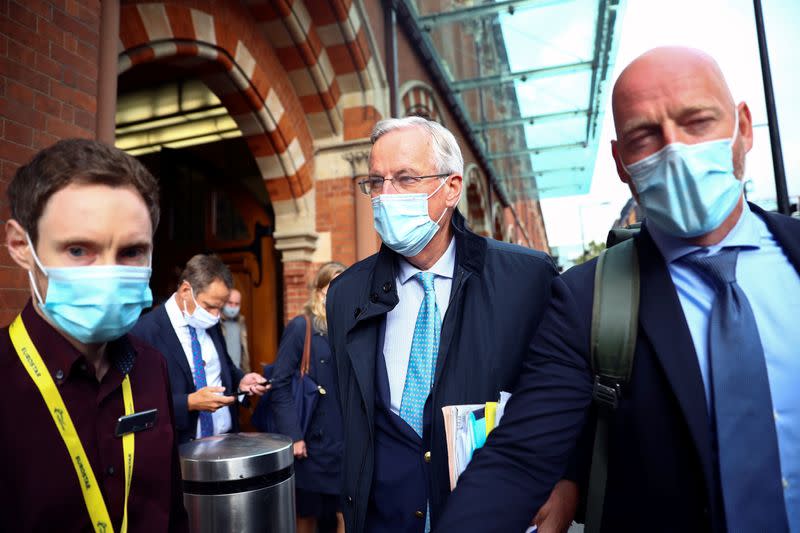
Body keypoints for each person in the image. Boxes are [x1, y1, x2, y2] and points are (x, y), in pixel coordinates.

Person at [435, 47, 800, 533]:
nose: (675, 150)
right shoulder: (585, 301)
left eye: (697, 122)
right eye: (645, 136)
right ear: (620, 161)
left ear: (744, 127)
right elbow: (519, 459)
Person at [326, 116, 577, 533]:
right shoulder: (346, 293)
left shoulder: (527, 279)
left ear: (452, 189)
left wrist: (569, 481)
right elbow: (347, 411)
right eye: (376, 181)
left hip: (491, 516)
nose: (386, 196)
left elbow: (565, 397)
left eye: (405, 179)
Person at [0, 139, 188, 531]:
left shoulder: (152, 367)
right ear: (21, 246)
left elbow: (172, 514)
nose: (107, 274)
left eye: (132, 252)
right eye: (78, 250)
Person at [132, 254, 269, 444]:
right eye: (210, 306)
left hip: (227, 440)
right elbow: (138, 402)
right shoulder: (144, 332)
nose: (215, 315)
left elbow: (225, 367)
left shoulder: (209, 322)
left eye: (220, 308)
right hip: (180, 449)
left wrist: (241, 381)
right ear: (186, 290)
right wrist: (189, 403)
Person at [270, 261, 347, 533]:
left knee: (346, 514)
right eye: (331, 288)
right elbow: (279, 384)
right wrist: (294, 436)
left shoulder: (351, 328)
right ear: (318, 292)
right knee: (306, 517)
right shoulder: (301, 328)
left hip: (345, 442)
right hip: (311, 444)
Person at [221, 288, 250, 371]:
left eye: (236, 304)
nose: (233, 307)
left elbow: (244, 352)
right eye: (230, 303)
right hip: (222, 374)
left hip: (238, 372)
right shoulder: (215, 323)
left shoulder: (241, 322)